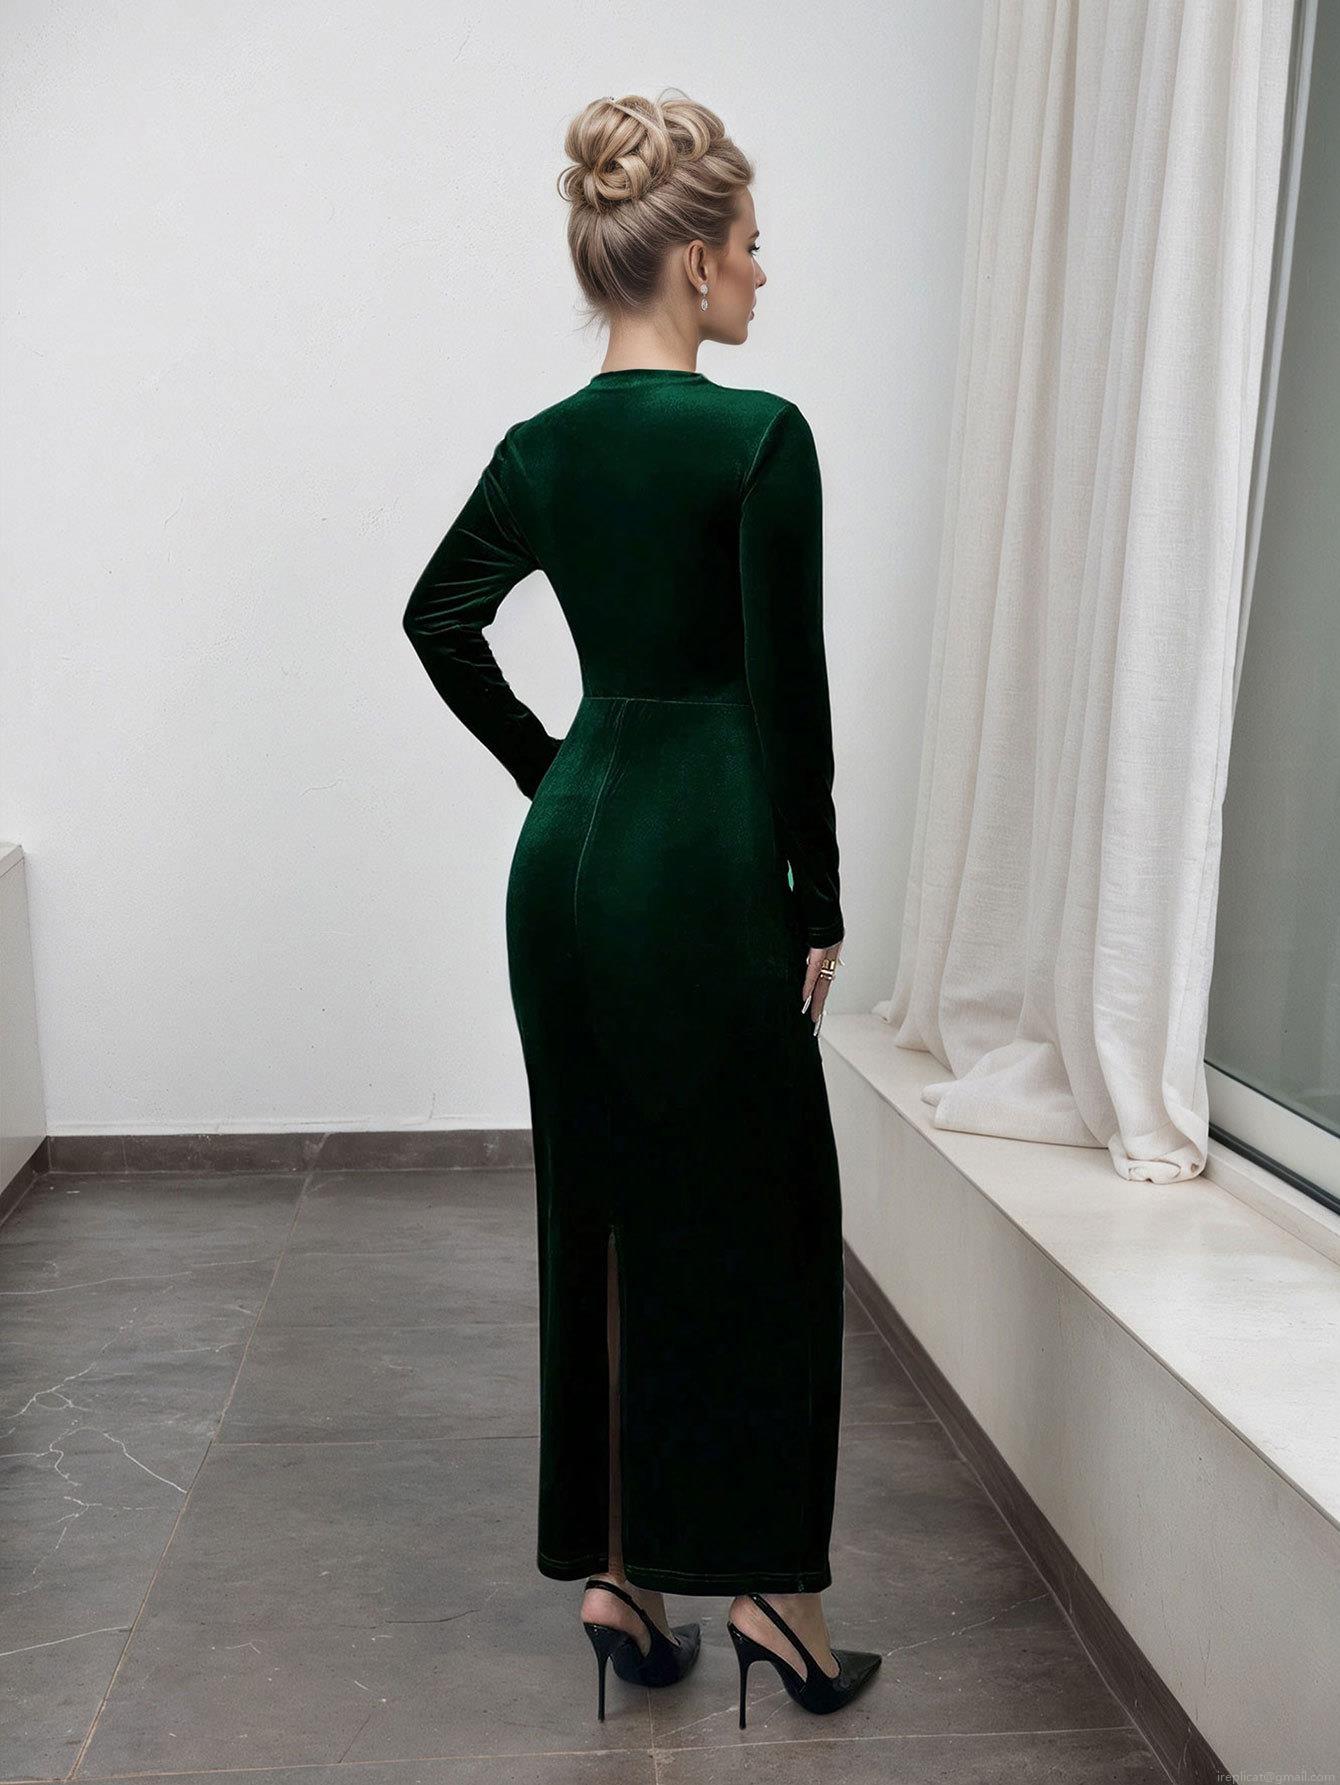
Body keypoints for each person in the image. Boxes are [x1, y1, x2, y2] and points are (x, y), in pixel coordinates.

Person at [401, 88, 881, 1727]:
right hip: (707, 861)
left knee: (600, 1204)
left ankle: (621, 1571)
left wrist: (555, 770)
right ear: (690, 263)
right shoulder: (759, 439)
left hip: (567, 871)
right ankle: (778, 1595)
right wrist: (816, 895)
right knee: (764, 1218)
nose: (763, 270)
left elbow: (438, 617)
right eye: (750, 244)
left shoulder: (540, 447)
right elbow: (788, 700)